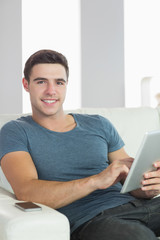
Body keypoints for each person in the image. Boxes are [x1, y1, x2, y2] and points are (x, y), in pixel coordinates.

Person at [0, 49, 160, 240]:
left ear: (66, 85)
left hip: (140, 207)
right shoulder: (15, 131)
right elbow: (27, 191)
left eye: (59, 82)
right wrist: (96, 180)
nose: (51, 91)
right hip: (93, 219)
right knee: (138, 237)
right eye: (41, 81)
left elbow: (131, 183)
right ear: (26, 84)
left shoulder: (99, 124)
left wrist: (148, 186)